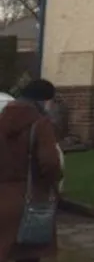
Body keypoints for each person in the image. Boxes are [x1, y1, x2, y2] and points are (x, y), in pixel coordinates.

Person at [0, 79, 63, 262]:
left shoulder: (3, 120)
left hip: (2, 197)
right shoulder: (40, 124)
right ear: (44, 101)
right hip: (29, 200)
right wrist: (52, 184)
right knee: (28, 255)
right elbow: (50, 163)